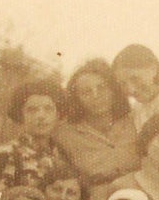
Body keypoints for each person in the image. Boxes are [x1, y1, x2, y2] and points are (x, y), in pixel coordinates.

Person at [52, 59, 138, 189]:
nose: (96, 96)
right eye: (87, 92)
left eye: (102, 88)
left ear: (113, 90)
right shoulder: (64, 134)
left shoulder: (135, 121)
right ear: (77, 99)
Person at [0, 78, 72, 193]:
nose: (41, 116)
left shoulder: (62, 154)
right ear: (21, 116)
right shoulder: (7, 153)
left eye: (48, 109)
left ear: (58, 115)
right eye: (32, 110)